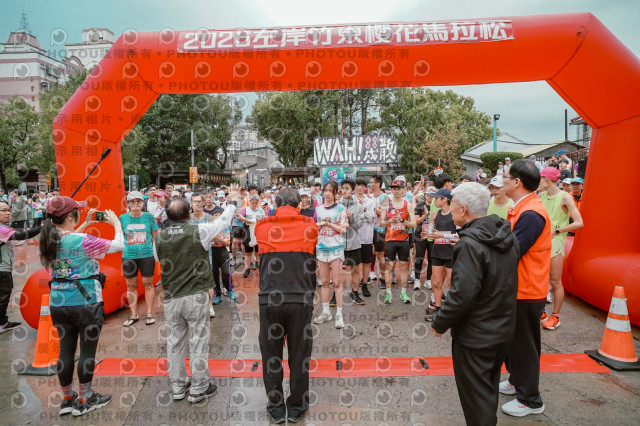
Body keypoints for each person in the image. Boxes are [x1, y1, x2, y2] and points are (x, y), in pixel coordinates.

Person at [430, 182, 519, 426]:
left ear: (464, 209)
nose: (452, 210)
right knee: (487, 389)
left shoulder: (469, 244)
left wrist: (439, 323)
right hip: (502, 327)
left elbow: (462, 295)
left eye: (454, 205)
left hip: (475, 335)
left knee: (476, 399)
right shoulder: (506, 235)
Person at [153, 188, 239, 403]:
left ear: (168, 216)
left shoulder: (159, 238)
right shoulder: (199, 231)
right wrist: (232, 203)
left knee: (174, 342)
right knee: (198, 341)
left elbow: (158, 260)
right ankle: (199, 387)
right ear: (188, 213)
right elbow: (224, 221)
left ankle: (178, 387)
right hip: (196, 294)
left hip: (171, 296)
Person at [40, 196, 124, 416]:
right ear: (70, 216)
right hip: (86, 303)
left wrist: (85, 224)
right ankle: (86, 398)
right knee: (87, 350)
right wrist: (116, 224)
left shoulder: (48, 238)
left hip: (58, 302)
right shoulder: (83, 240)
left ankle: (67, 399)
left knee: (65, 350)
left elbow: (69, 240)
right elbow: (119, 245)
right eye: (76, 212)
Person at [254, 187, 318, 423]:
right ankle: (297, 405)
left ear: (275, 205)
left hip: (270, 299)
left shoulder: (261, 226)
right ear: (298, 205)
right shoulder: (310, 226)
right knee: (300, 354)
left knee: (271, 353)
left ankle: (276, 406)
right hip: (300, 299)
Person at [500, 159, 551, 417]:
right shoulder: (521, 208)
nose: (502, 182)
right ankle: (516, 380)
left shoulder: (531, 214)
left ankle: (531, 400)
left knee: (524, 345)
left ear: (517, 182)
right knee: (513, 341)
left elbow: (512, 251)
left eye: (505, 177)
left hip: (527, 289)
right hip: (517, 287)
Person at [537, 167, 584, 330]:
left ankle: (555, 316)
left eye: (540, 179)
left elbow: (579, 222)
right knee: (540, 280)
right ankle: (541, 312)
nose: (538, 182)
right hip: (539, 242)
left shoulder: (564, 197)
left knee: (555, 281)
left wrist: (556, 231)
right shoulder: (541, 196)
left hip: (556, 242)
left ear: (547, 180)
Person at [119, 191, 159, 327]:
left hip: (146, 255)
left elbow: (155, 237)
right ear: (128, 204)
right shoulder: (122, 218)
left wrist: (158, 255)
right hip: (128, 257)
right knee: (131, 285)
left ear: (143, 203)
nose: (136, 204)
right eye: (133, 201)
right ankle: (134, 314)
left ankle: (150, 313)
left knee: (148, 283)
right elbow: (119, 237)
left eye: (139, 201)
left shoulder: (149, 217)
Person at [0, 201, 41, 333]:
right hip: (2, 270)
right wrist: (41, 228)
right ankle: (1, 324)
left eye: (8, 210)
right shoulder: (1, 229)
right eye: (3, 210)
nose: (8, 213)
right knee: (3, 296)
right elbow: (22, 235)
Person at [312, 181, 348, 329]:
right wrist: (320, 224)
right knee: (325, 282)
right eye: (325, 190)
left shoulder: (341, 209)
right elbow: (313, 228)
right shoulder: (318, 209)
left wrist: (330, 224)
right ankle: (326, 312)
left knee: (337, 282)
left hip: (336, 249)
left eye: (330, 191)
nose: (327, 193)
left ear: (335, 193)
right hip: (321, 249)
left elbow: (343, 230)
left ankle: (339, 314)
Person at [379, 179, 416, 304]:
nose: (396, 191)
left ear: (403, 190)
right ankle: (388, 293)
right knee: (389, 267)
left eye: (398, 189)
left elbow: (414, 224)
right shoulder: (387, 203)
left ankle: (403, 293)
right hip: (390, 240)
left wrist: (403, 221)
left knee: (404, 268)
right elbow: (380, 222)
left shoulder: (408, 205)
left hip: (403, 241)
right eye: (394, 189)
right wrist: (389, 221)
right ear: (391, 190)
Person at [190, 193, 225, 315]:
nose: (197, 204)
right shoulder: (187, 218)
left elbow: (214, 234)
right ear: (191, 203)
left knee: (208, 282)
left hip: (206, 254)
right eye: (194, 201)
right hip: (191, 255)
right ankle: (195, 307)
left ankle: (209, 306)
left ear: (203, 203)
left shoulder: (209, 218)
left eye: (199, 201)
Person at [425, 188, 457, 319]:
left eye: (437, 198)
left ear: (444, 200)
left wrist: (441, 235)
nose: (434, 201)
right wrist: (427, 234)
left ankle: (453, 310)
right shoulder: (434, 214)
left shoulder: (455, 214)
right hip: (437, 252)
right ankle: (437, 308)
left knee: (451, 284)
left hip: (451, 253)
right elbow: (431, 234)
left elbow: (459, 235)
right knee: (436, 283)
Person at [339, 179, 366, 306]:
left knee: (355, 269)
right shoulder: (336, 205)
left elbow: (359, 225)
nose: (344, 191)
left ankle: (355, 293)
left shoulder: (359, 206)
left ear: (353, 190)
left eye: (347, 188)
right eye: (343, 188)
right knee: (337, 270)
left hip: (354, 242)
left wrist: (351, 217)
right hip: (338, 243)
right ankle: (335, 294)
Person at [354, 178, 375, 297]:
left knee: (366, 263)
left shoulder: (370, 201)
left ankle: (365, 285)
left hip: (366, 237)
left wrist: (364, 209)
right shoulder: (350, 200)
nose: (360, 187)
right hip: (353, 238)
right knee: (354, 264)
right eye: (358, 185)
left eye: (362, 185)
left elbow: (372, 219)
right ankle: (355, 287)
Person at [238, 194, 266, 279]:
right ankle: (247, 269)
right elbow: (240, 216)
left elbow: (264, 218)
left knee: (258, 252)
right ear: (249, 202)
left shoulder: (260, 210)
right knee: (248, 252)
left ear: (258, 203)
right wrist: (244, 219)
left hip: (258, 233)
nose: (254, 204)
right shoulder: (246, 209)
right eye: (252, 202)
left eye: (256, 203)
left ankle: (261, 269)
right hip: (248, 233)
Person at [209, 206, 231, 309]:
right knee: (214, 274)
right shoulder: (209, 228)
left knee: (226, 272)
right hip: (212, 252)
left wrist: (217, 239)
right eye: (215, 215)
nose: (217, 217)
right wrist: (214, 242)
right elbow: (207, 242)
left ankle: (227, 288)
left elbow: (227, 242)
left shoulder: (225, 228)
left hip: (223, 252)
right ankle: (217, 294)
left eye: (220, 215)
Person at [369, 175, 388, 288]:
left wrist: (373, 209)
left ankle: (383, 278)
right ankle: (367, 276)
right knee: (369, 253)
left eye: (371, 182)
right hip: (368, 229)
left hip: (380, 229)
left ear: (377, 184)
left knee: (380, 254)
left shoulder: (385, 197)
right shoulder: (369, 197)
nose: (370, 185)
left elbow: (384, 214)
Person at [412, 191, 431, 291]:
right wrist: (425, 215)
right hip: (420, 234)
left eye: (432, 195)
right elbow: (416, 221)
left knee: (432, 257)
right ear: (425, 195)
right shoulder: (420, 206)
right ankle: (417, 279)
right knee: (419, 256)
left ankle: (428, 280)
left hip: (432, 235)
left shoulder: (437, 206)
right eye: (428, 194)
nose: (430, 197)